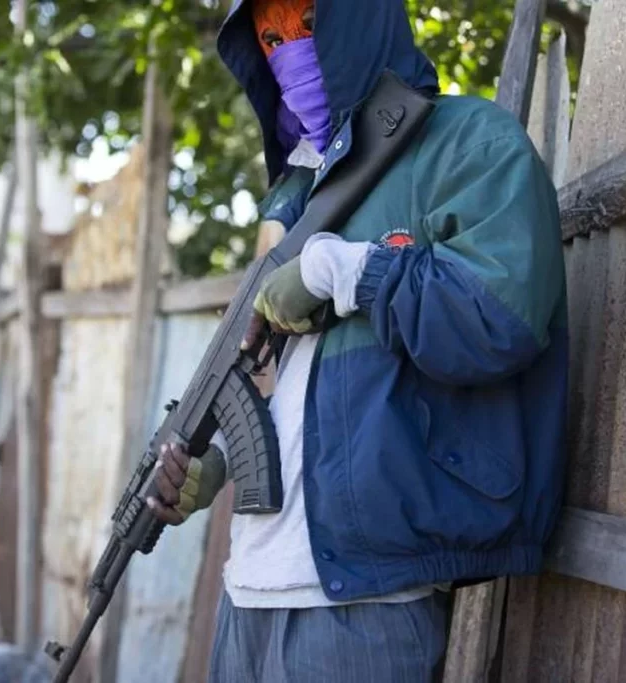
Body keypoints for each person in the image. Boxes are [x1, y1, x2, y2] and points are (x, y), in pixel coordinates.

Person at [147, 0, 568, 680]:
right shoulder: (297, 197)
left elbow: (503, 319)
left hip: (368, 600)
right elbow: (298, 392)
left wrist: (342, 269)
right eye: (271, 39)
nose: (290, 56)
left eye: (308, 27)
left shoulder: (467, 142)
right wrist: (216, 465)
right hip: (248, 588)